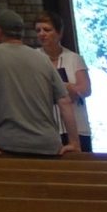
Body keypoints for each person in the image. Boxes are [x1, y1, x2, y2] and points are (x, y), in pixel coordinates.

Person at [0, 8, 77, 157]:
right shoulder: (42, 59)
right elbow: (65, 101)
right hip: (48, 144)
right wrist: (74, 143)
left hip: (9, 143)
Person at [34, 11, 93, 152]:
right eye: (38, 30)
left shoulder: (74, 58)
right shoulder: (33, 58)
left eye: (47, 30)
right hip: (46, 128)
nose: (42, 34)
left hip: (77, 126)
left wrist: (65, 87)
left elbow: (85, 90)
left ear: (59, 33)